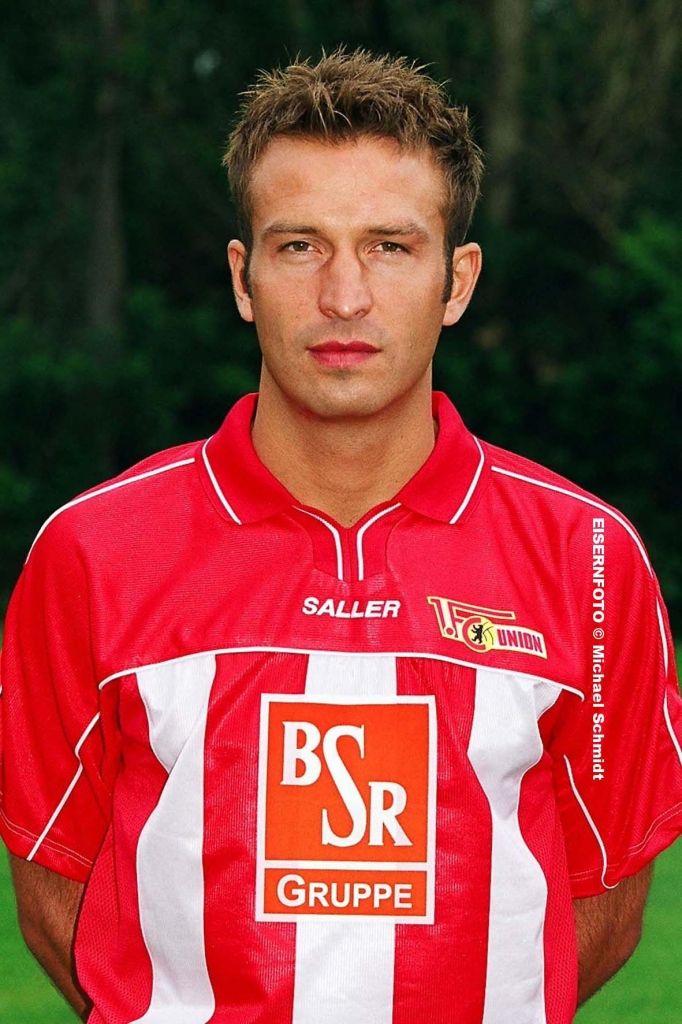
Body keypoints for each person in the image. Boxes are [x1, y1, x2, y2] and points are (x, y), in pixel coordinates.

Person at [1, 48, 680, 1024]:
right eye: (299, 246)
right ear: (243, 278)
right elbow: (56, 889)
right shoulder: (92, 552)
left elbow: (602, 895)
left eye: (390, 247)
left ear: (457, 281)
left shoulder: (590, 558)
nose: (344, 297)